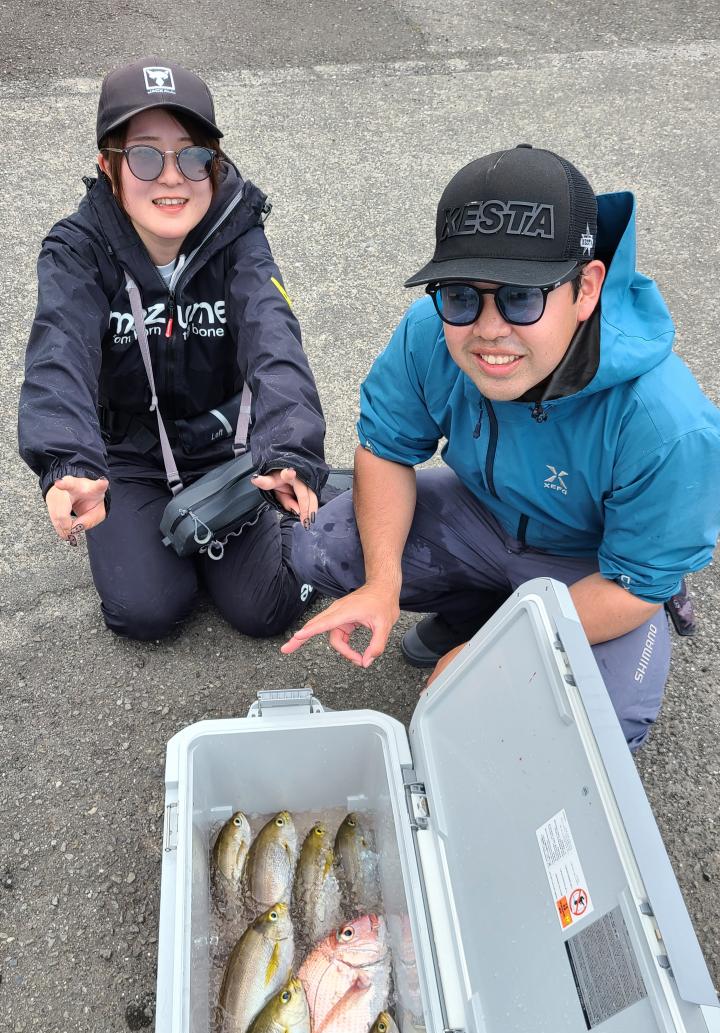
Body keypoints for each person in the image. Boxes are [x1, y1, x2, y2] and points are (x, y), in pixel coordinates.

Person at [282, 145, 720, 749]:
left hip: (594, 566)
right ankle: (476, 608)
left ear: (586, 289)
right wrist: (382, 583)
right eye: (462, 295)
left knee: (599, 728)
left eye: (522, 295)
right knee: (321, 547)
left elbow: (632, 588)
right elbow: (385, 450)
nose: (488, 329)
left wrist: (490, 656)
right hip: (485, 517)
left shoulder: (669, 426)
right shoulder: (429, 332)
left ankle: (499, 623)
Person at [18, 58, 336, 641]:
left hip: (227, 446)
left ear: (214, 165)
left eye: (192, 156)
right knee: (146, 613)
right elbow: (59, 352)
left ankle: (332, 498)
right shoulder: (77, 250)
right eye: (144, 155)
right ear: (107, 165)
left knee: (262, 610)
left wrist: (290, 448)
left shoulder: (239, 234)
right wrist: (68, 461)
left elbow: (274, 337)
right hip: (130, 453)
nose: (171, 177)